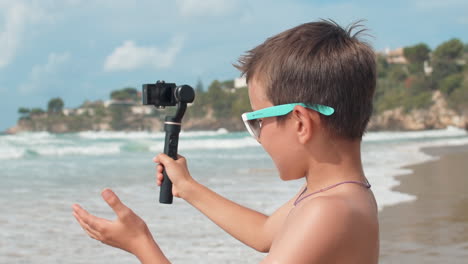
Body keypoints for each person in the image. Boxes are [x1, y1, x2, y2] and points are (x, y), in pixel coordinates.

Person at [72, 19, 379, 263]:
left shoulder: (328, 210)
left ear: (300, 122)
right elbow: (264, 233)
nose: (258, 137)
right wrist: (188, 188)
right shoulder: (336, 193)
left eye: (258, 121)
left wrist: (140, 243)